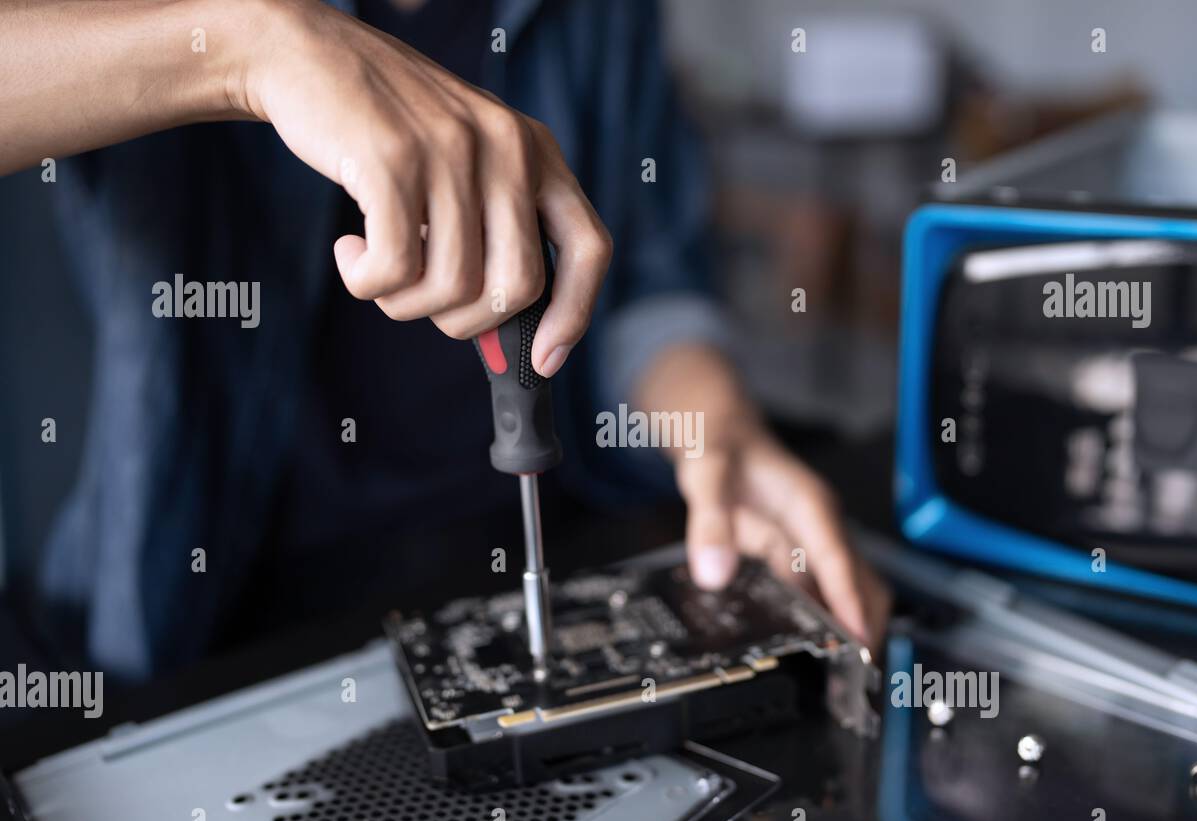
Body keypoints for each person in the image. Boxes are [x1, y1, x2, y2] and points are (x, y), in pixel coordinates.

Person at [1, 0, 889, 680]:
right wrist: (248, 48)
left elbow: (645, 287)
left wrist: (715, 430)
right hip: (221, 615)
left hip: (536, 539)